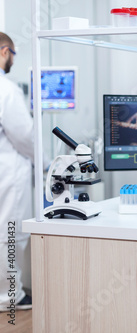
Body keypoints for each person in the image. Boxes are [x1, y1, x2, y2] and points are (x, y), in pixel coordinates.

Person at [0, 32, 33, 311]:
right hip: (7, 174)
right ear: (4, 51)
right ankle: (10, 297)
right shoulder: (6, 89)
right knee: (10, 234)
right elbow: (25, 136)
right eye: (13, 53)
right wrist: (47, 162)